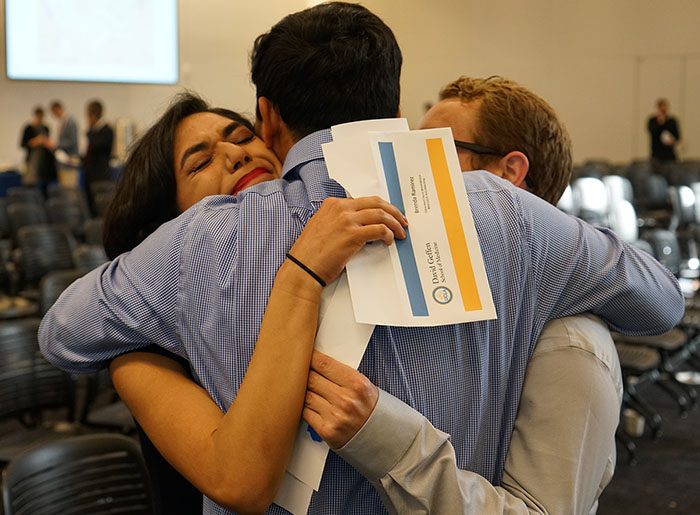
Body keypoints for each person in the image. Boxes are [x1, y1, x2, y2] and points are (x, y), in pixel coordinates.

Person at [40, 4, 684, 515]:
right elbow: (660, 301)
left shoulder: (195, 244)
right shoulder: (504, 209)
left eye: (238, 138)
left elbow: (62, 333)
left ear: (268, 121)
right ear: (397, 110)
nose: (233, 158)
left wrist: (133, 343)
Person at [305, 76, 624, 514]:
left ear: (508, 176)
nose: (404, 168)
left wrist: (383, 437)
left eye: (432, 151)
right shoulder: (453, 297)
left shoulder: (571, 340)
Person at [99, 92, 408, 513]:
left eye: (244, 137)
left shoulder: (346, 263)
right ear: (167, 235)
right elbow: (238, 482)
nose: (234, 154)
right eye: (200, 163)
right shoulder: (142, 353)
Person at [83, 99, 114, 214]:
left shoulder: (106, 130)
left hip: (101, 175)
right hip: (90, 175)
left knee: (101, 208)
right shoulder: (94, 131)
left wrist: (90, 131)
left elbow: (98, 146)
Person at [19, 105, 57, 195]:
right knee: (31, 184)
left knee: (45, 186)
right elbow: (23, 144)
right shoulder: (28, 128)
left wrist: (47, 142)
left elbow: (49, 143)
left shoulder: (45, 128)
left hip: (45, 162)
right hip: (33, 162)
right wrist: (36, 141)